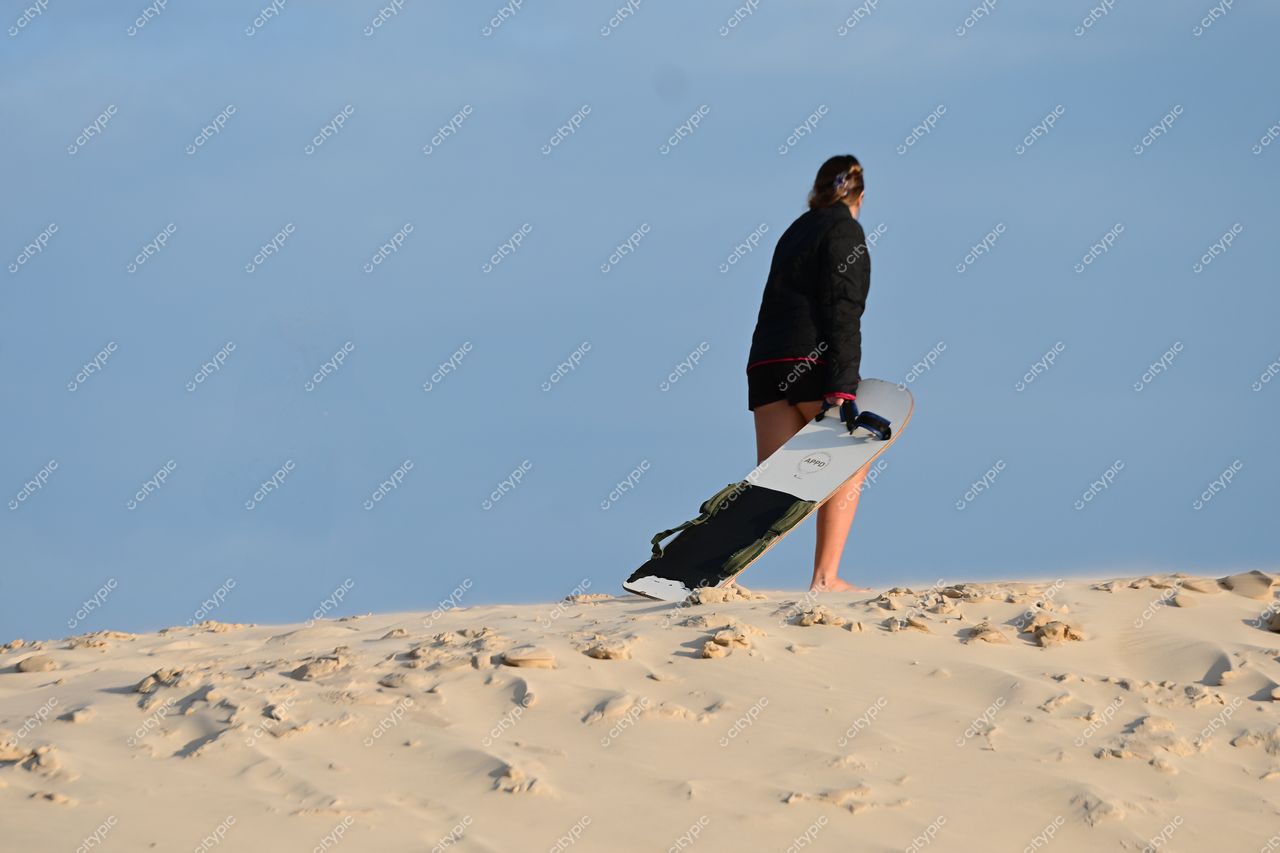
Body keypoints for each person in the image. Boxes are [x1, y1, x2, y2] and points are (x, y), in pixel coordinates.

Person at [745, 154, 873, 593]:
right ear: (860, 196)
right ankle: (825, 578)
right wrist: (842, 386)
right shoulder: (845, 231)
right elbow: (844, 310)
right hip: (810, 366)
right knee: (852, 463)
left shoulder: (794, 231)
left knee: (774, 491)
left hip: (766, 366)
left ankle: (717, 572)